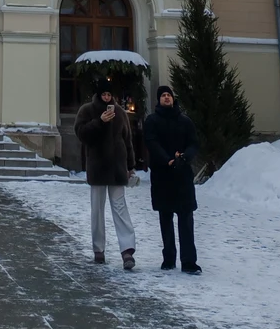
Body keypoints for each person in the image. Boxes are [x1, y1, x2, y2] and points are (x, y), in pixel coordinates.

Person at [74, 82, 137, 270]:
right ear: (99, 95)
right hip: (98, 167)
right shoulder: (87, 111)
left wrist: (131, 165)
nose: (107, 98)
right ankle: (98, 249)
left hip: (117, 168)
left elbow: (128, 141)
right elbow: (82, 133)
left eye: (110, 94)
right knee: (97, 210)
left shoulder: (121, 114)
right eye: (104, 94)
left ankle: (127, 250)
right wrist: (99, 121)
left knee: (120, 208)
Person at [143, 84, 200, 273]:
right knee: (165, 219)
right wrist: (167, 160)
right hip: (162, 177)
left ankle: (188, 261)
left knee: (186, 220)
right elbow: (151, 143)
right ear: (158, 100)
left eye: (169, 95)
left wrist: (183, 158)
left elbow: (193, 143)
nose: (167, 98)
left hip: (182, 176)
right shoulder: (152, 121)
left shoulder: (185, 121)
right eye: (163, 95)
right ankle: (168, 258)